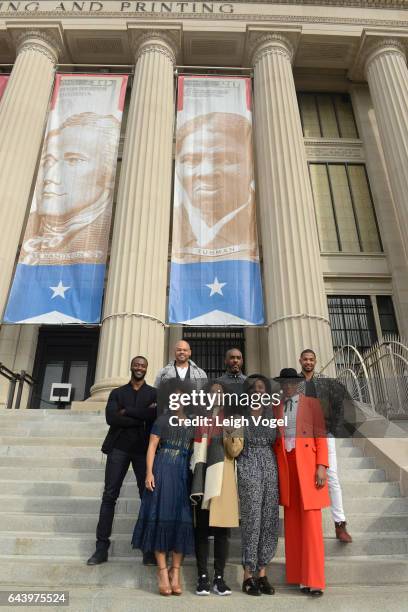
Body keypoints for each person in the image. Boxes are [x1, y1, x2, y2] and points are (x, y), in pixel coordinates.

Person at [20, 112, 120, 266]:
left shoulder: (112, 228)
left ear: (108, 173)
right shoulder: (21, 226)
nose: (50, 176)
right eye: (48, 160)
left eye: (73, 160)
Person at [87, 356, 157, 567]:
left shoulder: (153, 393)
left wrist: (127, 412)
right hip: (118, 448)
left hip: (143, 451)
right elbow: (111, 418)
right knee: (109, 496)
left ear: (146, 369)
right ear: (131, 367)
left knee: (147, 497)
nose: (139, 368)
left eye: (143, 365)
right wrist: (141, 416)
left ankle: (148, 549)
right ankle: (101, 549)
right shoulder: (117, 393)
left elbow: (154, 416)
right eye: (136, 364)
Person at [132, 381, 195, 596]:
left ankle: (175, 572)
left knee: (182, 520)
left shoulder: (193, 421)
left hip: (184, 473)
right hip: (164, 469)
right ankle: (162, 571)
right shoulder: (162, 419)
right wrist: (149, 473)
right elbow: (151, 447)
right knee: (162, 517)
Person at [172, 112, 258, 262]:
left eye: (225, 160)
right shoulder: (166, 223)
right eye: (191, 160)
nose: (206, 172)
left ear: (251, 166)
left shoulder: (265, 223)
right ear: (177, 168)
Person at [274, 368, 330, 597]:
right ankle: (299, 576)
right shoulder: (276, 406)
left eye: (292, 382)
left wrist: (321, 466)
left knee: (311, 523)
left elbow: (321, 436)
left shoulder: (312, 404)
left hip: (307, 464)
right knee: (293, 522)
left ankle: (314, 580)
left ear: (298, 383)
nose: (288, 386)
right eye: (284, 382)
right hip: (286, 464)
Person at [225, 375, 279, 596]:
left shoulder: (271, 414)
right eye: (254, 388)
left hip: (270, 464)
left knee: (269, 518)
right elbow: (231, 446)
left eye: (261, 388)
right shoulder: (238, 414)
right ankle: (248, 573)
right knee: (252, 518)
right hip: (248, 462)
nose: (258, 391)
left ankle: (263, 572)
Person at [190, 381, 240, 596]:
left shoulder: (233, 418)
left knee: (222, 531)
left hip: (223, 476)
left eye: (220, 393)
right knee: (201, 529)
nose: (216, 396)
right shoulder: (199, 418)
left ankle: (219, 578)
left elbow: (236, 449)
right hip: (201, 475)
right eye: (212, 393)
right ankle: (202, 577)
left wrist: (228, 432)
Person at [299, 349, 353, 543]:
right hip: (301, 438)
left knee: (332, 478)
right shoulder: (295, 384)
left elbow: (340, 406)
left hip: (324, 434)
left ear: (315, 361)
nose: (308, 362)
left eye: (311, 359)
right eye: (305, 359)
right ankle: (308, 527)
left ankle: (340, 524)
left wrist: (334, 430)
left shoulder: (326, 384)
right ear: (300, 361)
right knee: (304, 480)